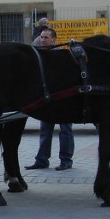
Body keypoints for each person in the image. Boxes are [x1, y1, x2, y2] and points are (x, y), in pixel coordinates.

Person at [25, 27, 75, 171]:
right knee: (45, 130)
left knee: (65, 130)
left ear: (54, 39)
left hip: (62, 99)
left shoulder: (62, 55)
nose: (43, 40)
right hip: (46, 100)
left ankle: (66, 160)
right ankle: (42, 160)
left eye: (46, 37)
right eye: (41, 37)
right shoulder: (38, 55)